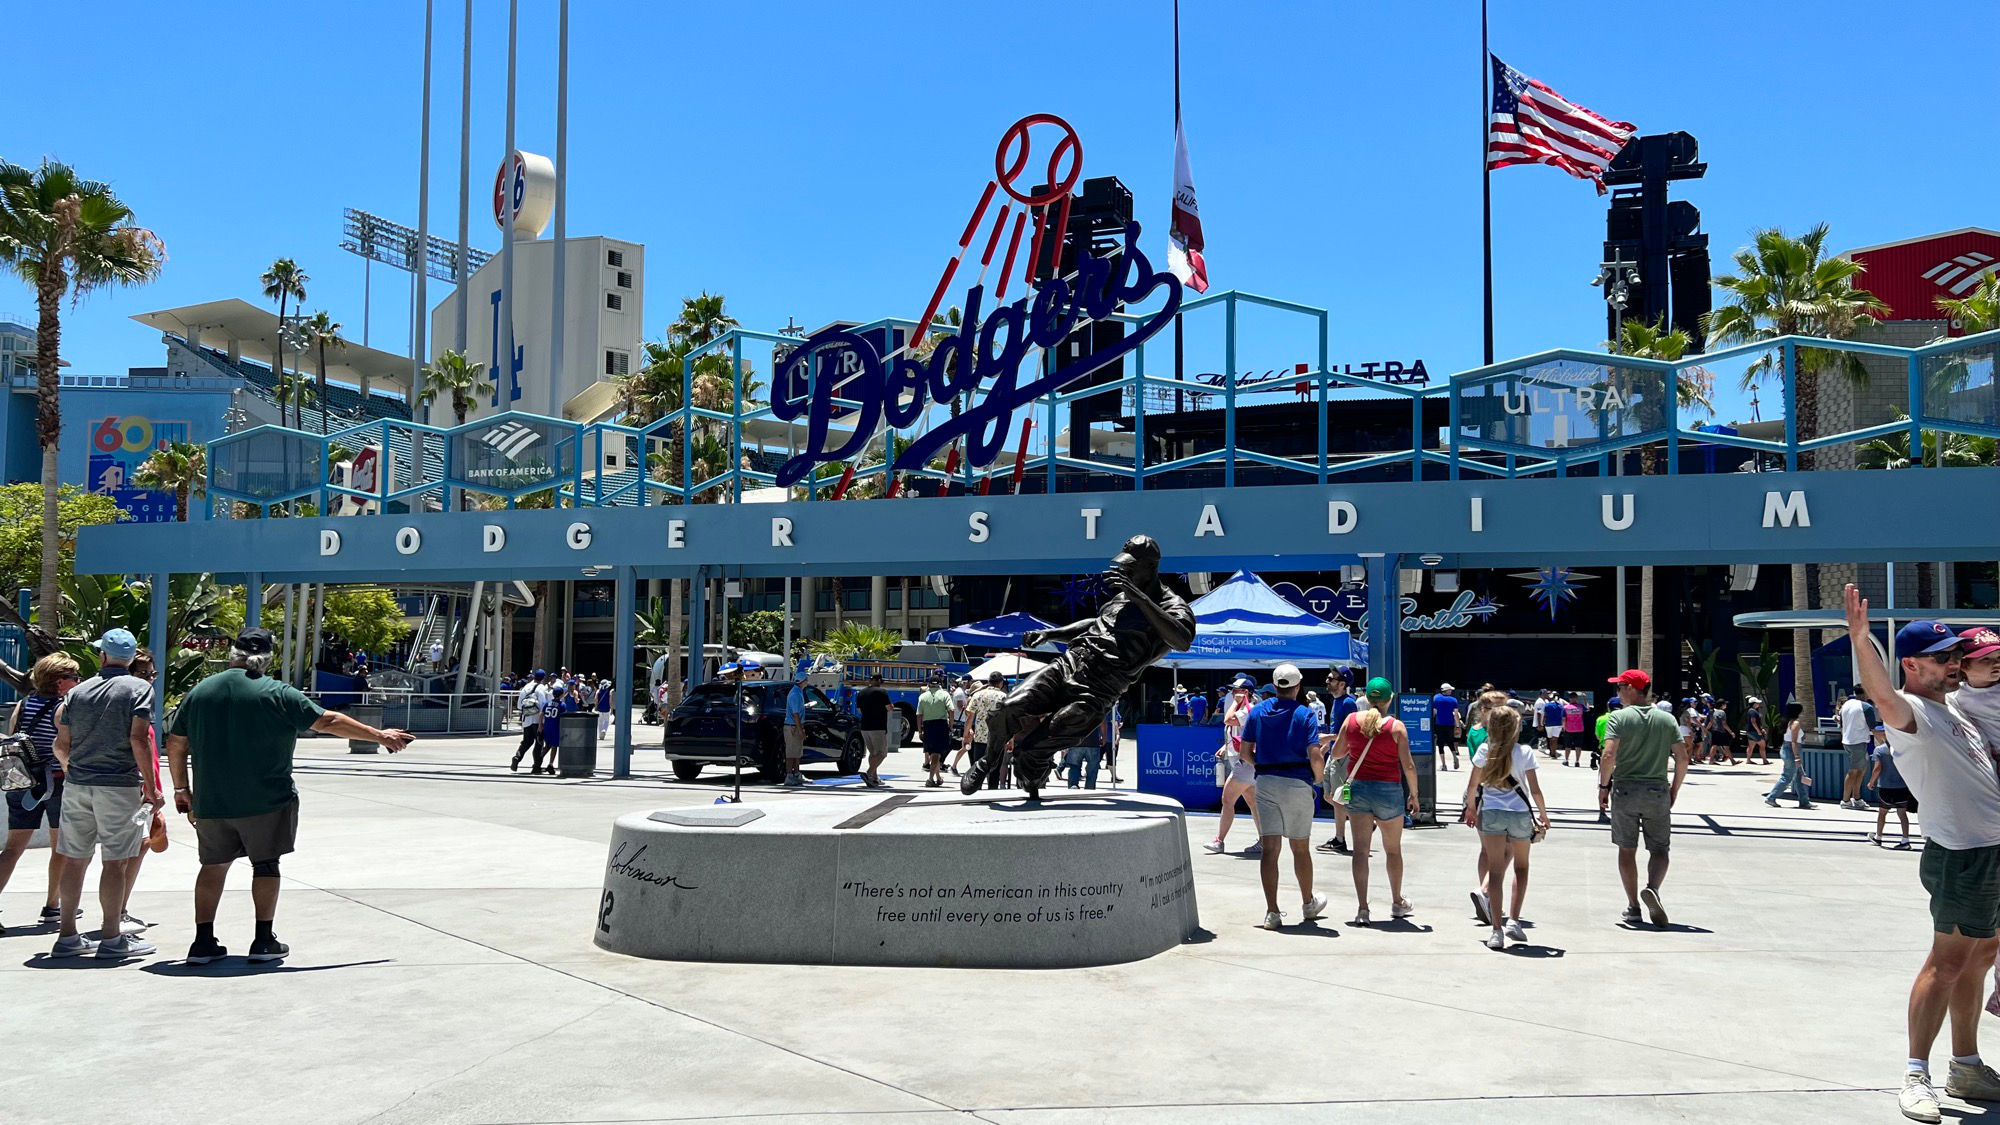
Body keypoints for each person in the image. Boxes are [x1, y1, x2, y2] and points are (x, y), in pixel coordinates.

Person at [1837, 592, 2000, 1121]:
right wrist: (1862, 641)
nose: (1956, 663)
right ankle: (1915, 1075)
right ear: (1912, 663)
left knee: (1979, 960)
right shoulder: (1913, 716)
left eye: (1957, 655)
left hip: (1992, 851)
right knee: (1948, 963)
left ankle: (1967, 1064)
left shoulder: (1950, 705)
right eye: (1944, 657)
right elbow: (1883, 696)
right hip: (1962, 856)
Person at [168, 627, 412, 964]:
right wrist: (380, 735)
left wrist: (182, 789)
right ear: (266, 659)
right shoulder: (276, 692)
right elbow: (327, 720)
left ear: (233, 654)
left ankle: (202, 942)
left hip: (212, 801)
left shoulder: (200, 692)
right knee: (265, 864)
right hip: (266, 799)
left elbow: (175, 743)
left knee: (213, 865)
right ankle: (263, 940)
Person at [958, 535, 1195, 799]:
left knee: (1032, 752)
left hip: (1098, 690)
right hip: (1069, 665)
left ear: (1150, 568)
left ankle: (1033, 772)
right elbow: (1095, 626)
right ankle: (987, 762)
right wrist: (1050, 634)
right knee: (1008, 708)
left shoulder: (1172, 606)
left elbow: (1182, 639)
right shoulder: (1120, 598)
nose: (1122, 573)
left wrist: (1139, 598)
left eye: (1130, 568)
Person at [48, 629, 159, 959]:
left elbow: (61, 745)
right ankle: (111, 938)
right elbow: (140, 740)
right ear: (130, 660)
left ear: (103, 656)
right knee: (115, 862)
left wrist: (74, 770)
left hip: (78, 784)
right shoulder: (139, 689)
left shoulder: (78, 692)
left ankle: (67, 935)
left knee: (75, 859)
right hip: (118, 785)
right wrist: (152, 789)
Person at [1238, 663, 1327, 930]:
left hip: (1266, 781)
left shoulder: (1259, 712)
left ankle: (1272, 912)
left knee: (1270, 850)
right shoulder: (1304, 713)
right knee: (1300, 848)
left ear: (1275, 686)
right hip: (1298, 782)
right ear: (1298, 686)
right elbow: (1314, 753)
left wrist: (1262, 767)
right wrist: (1318, 778)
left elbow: (1244, 752)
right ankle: (1308, 904)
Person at [1598, 668, 1687, 928]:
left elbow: (1608, 755)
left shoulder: (1618, 718)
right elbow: (1683, 758)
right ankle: (1653, 889)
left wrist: (1603, 786)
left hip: (1625, 789)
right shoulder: (1667, 720)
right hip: (1657, 789)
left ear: (1631, 689)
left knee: (1627, 849)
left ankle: (1634, 907)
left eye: (1620, 687)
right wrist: (1674, 790)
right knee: (1660, 849)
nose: (1618, 692)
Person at [0, 653, 80, 934]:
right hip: (55, 783)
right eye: (73, 677)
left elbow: (12, 739)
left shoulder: (22, 705)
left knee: (11, 849)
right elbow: (66, 748)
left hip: (24, 783)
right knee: (61, 847)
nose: (77, 682)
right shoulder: (63, 709)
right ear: (60, 683)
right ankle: (52, 905)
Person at [1328, 677, 1419, 926]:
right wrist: (1414, 794)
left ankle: (1363, 908)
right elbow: (1408, 765)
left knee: (1360, 851)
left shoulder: (1351, 721)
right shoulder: (1396, 726)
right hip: (1388, 790)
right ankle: (1397, 901)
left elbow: (1336, 753)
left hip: (1357, 789)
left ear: (1367, 699)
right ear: (1389, 699)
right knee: (1393, 850)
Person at [1461, 704, 1548, 950]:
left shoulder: (1484, 750)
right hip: (1519, 815)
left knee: (1496, 871)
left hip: (1491, 813)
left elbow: (1472, 785)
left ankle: (1496, 930)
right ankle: (1514, 920)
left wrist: (1470, 808)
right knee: (1521, 867)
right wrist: (1543, 815)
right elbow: (1535, 790)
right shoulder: (1525, 752)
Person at [119, 648, 165, 929]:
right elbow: (139, 747)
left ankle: (120, 910)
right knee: (133, 849)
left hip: (146, 789)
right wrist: (151, 791)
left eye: (152, 674)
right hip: (135, 789)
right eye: (143, 673)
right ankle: (118, 912)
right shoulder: (131, 706)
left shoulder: (140, 703)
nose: (149, 679)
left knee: (140, 847)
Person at [1205, 678, 1259, 855]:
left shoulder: (1245, 710)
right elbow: (1237, 733)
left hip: (1244, 763)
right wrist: (1225, 746)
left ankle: (1219, 841)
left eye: (1237, 690)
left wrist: (1235, 704)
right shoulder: (1244, 709)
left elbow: (1228, 720)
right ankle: (1265, 840)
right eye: (1233, 690)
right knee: (1253, 803)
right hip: (1243, 762)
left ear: (1246, 692)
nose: (1233, 693)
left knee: (1227, 800)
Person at [1316, 671, 1361, 856]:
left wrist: (1329, 738)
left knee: (1338, 797)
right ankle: (1359, 823)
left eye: (1331, 678)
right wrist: (1327, 745)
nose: (1327, 681)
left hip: (1344, 756)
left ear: (1342, 684)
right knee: (1328, 795)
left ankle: (1340, 839)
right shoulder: (1337, 701)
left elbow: (1353, 731)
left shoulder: (1348, 703)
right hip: (1335, 754)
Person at [960, 672, 1006, 792]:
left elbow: (969, 716)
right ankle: (992, 792)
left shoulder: (978, 695)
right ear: (1000, 683)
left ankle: (977, 791)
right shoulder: (1003, 697)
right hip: (997, 741)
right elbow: (1008, 721)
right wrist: (1010, 740)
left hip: (980, 738)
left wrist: (966, 736)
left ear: (988, 681)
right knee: (995, 770)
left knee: (978, 769)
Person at [1763, 703, 1812, 809]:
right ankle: (1771, 797)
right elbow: (1794, 741)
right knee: (1787, 776)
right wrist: (1797, 757)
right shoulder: (1795, 723)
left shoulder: (1788, 722)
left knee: (1799, 776)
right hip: (1792, 750)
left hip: (1787, 748)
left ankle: (1804, 801)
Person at [1873, 731, 1916, 849]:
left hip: (1885, 786)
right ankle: (1905, 840)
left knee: (1882, 813)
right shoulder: (1904, 750)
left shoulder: (1879, 750)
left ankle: (1878, 837)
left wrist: (1871, 782)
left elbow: (1877, 768)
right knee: (1902, 814)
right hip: (1901, 786)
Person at [1839, 686, 1875, 811]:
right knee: (1854, 770)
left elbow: (1842, 724)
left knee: (1860, 769)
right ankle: (1846, 800)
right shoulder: (1867, 707)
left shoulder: (1846, 705)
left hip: (1847, 741)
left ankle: (1857, 798)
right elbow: (1873, 726)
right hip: (1858, 742)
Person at [857, 673, 893, 789]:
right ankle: (869, 773)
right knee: (882, 753)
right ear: (878, 681)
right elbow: (889, 708)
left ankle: (874, 778)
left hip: (864, 727)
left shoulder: (861, 692)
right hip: (877, 726)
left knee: (873, 753)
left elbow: (859, 710)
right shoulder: (882, 692)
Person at [534, 682, 578, 775]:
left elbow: (541, 714)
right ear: (561, 695)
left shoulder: (547, 703)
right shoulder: (562, 705)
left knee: (547, 746)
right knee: (554, 746)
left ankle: (538, 762)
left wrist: (540, 725)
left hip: (547, 727)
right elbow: (564, 716)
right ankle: (550, 764)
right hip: (556, 728)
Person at [511, 670, 550, 772]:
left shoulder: (526, 687)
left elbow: (519, 705)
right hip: (537, 720)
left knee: (526, 742)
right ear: (543, 678)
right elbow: (542, 705)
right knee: (538, 743)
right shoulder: (541, 688)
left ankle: (517, 758)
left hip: (526, 719)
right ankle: (536, 767)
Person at [917, 677, 953, 789]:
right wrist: (950, 726)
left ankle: (938, 777)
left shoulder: (922, 696)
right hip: (941, 725)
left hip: (927, 725)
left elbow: (919, 715)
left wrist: (919, 730)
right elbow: (951, 710)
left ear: (928, 684)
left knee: (933, 753)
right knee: (937, 754)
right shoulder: (945, 695)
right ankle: (930, 779)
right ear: (940, 684)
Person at [782, 674, 813, 788]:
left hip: (794, 726)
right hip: (793, 727)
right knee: (791, 753)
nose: (807, 681)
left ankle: (796, 774)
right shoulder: (796, 694)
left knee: (797, 753)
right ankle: (789, 775)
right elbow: (795, 714)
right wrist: (800, 730)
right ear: (802, 681)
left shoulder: (797, 692)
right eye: (806, 679)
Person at [1432, 683, 1461, 770]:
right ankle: (1454, 757)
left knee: (1440, 743)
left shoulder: (1436, 698)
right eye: (1450, 690)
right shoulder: (1453, 700)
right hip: (1449, 724)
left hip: (1439, 723)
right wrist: (1458, 726)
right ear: (1446, 690)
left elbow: (1434, 712)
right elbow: (1456, 714)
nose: (1451, 691)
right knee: (1450, 741)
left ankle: (1444, 764)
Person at [1561, 692, 1586, 768]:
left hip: (1569, 729)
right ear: (1576, 698)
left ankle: (1566, 760)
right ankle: (1577, 761)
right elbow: (1587, 708)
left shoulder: (1565, 708)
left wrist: (1563, 728)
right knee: (1578, 746)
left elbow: (1563, 719)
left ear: (1569, 698)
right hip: (1579, 728)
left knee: (1567, 746)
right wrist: (1585, 699)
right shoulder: (1581, 707)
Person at [1744, 696, 1769, 766]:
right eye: (1757, 703)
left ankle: (1748, 760)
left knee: (1751, 746)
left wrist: (1761, 728)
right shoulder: (1753, 711)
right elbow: (1753, 721)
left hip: (1750, 731)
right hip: (1754, 731)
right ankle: (1765, 760)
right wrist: (1758, 731)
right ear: (1754, 704)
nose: (1758, 704)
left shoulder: (1750, 711)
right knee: (1762, 745)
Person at [1540, 691, 1565, 757]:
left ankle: (1552, 752)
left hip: (1548, 724)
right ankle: (1553, 752)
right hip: (1558, 724)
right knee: (1555, 739)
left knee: (1550, 739)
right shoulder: (1560, 706)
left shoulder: (1546, 705)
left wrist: (1542, 723)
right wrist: (1563, 726)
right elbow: (1563, 717)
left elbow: (1544, 715)